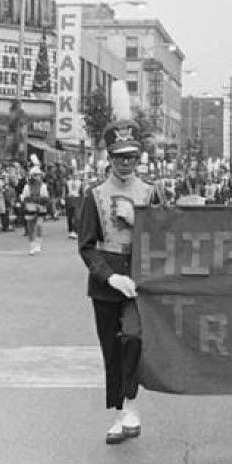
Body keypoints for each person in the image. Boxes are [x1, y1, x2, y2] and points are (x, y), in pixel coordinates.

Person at [77, 83, 162, 445]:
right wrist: (109, 278)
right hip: (108, 283)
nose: (126, 163)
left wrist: (141, 220)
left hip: (142, 279)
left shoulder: (150, 192)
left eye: (132, 157)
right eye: (120, 156)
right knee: (111, 348)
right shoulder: (94, 195)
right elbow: (86, 246)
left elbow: (166, 235)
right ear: (109, 157)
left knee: (133, 338)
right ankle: (121, 412)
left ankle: (131, 403)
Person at [20, 167, 50, 254]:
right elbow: (24, 197)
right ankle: (32, 247)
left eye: (39, 175)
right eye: (36, 175)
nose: (38, 177)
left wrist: (38, 200)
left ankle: (38, 245)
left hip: (40, 208)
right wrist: (28, 200)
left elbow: (46, 197)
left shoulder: (43, 186)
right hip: (30, 208)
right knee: (30, 228)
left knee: (39, 226)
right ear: (32, 176)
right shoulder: (27, 186)